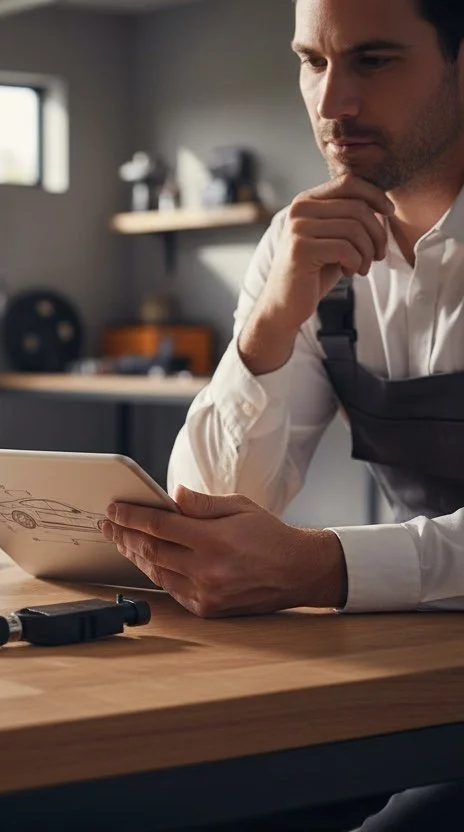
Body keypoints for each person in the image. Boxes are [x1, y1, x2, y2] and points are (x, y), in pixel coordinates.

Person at [100, 1, 464, 828]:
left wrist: (322, 567)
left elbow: (287, 560)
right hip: (418, 675)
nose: (332, 104)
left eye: (374, 61)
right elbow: (212, 511)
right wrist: (269, 326)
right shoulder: (301, 240)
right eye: (312, 61)